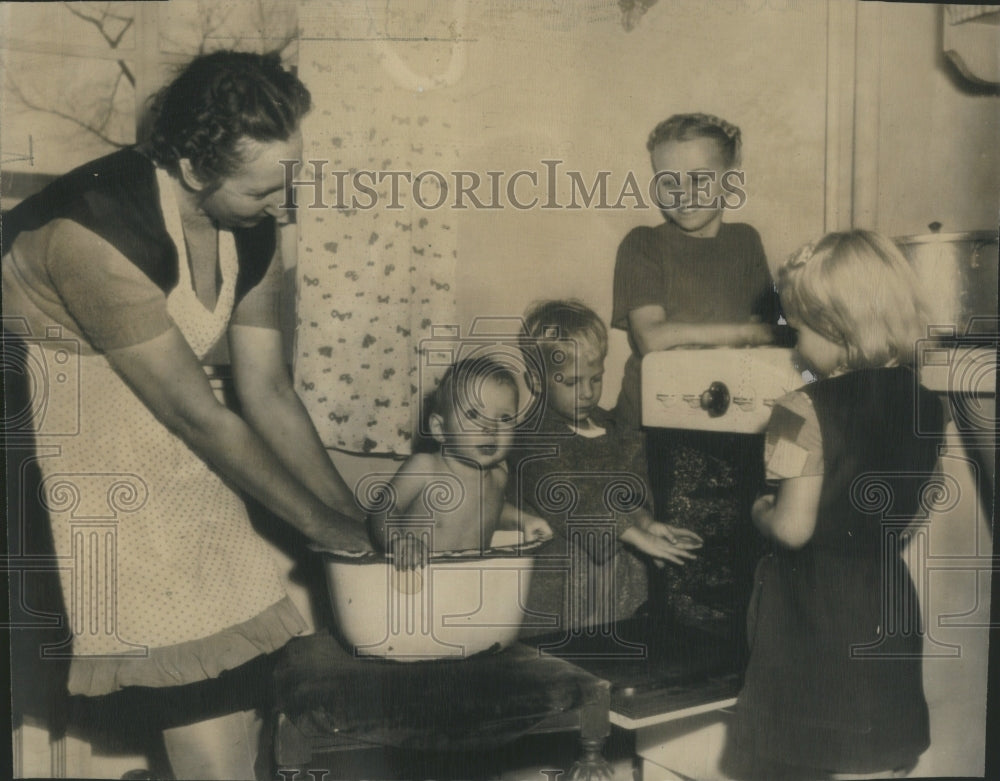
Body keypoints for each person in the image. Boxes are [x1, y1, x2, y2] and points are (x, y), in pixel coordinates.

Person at [2, 51, 369, 780]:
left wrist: (354, 520)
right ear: (196, 171)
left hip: (127, 412)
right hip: (32, 422)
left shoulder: (256, 223)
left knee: (226, 617)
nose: (284, 202)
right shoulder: (93, 230)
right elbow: (200, 417)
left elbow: (267, 391)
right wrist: (324, 530)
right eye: (265, 187)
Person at [724, 231, 944, 779]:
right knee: (870, 756)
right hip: (887, 600)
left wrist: (758, 511)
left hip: (815, 617)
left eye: (797, 330)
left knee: (805, 758)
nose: (796, 348)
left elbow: (793, 529)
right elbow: (926, 499)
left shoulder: (798, 410)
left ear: (834, 324)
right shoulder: (927, 401)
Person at [611, 112, 783, 646]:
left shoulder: (747, 241)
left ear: (731, 179)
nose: (682, 193)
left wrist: (752, 334)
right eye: (667, 180)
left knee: (730, 575)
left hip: (733, 436)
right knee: (673, 582)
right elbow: (653, 338)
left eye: (699, 179)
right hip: (653, 437)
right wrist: (745, 332)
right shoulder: (642, 243)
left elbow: (774, 335)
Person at [512, 300, 702, 638]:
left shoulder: (608, 425)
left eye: (596, 379)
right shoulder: (532, 438)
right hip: (560, 597)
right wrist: (637, 535)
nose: (587, 393)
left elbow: (629, 488)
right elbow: (575, 499)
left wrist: (648, 524)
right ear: (536, 382)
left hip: (615, 588)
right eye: (571, 383)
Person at [368, 357, 553, 570]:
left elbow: (492, 511)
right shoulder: (426, 468)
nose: (490, 428)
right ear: (439, 428)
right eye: (474, 414)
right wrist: (397, 540)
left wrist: (523, 520)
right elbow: (384, 506)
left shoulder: (499, 475)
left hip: (467, 584)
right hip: (416, 578)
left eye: (504, 418)